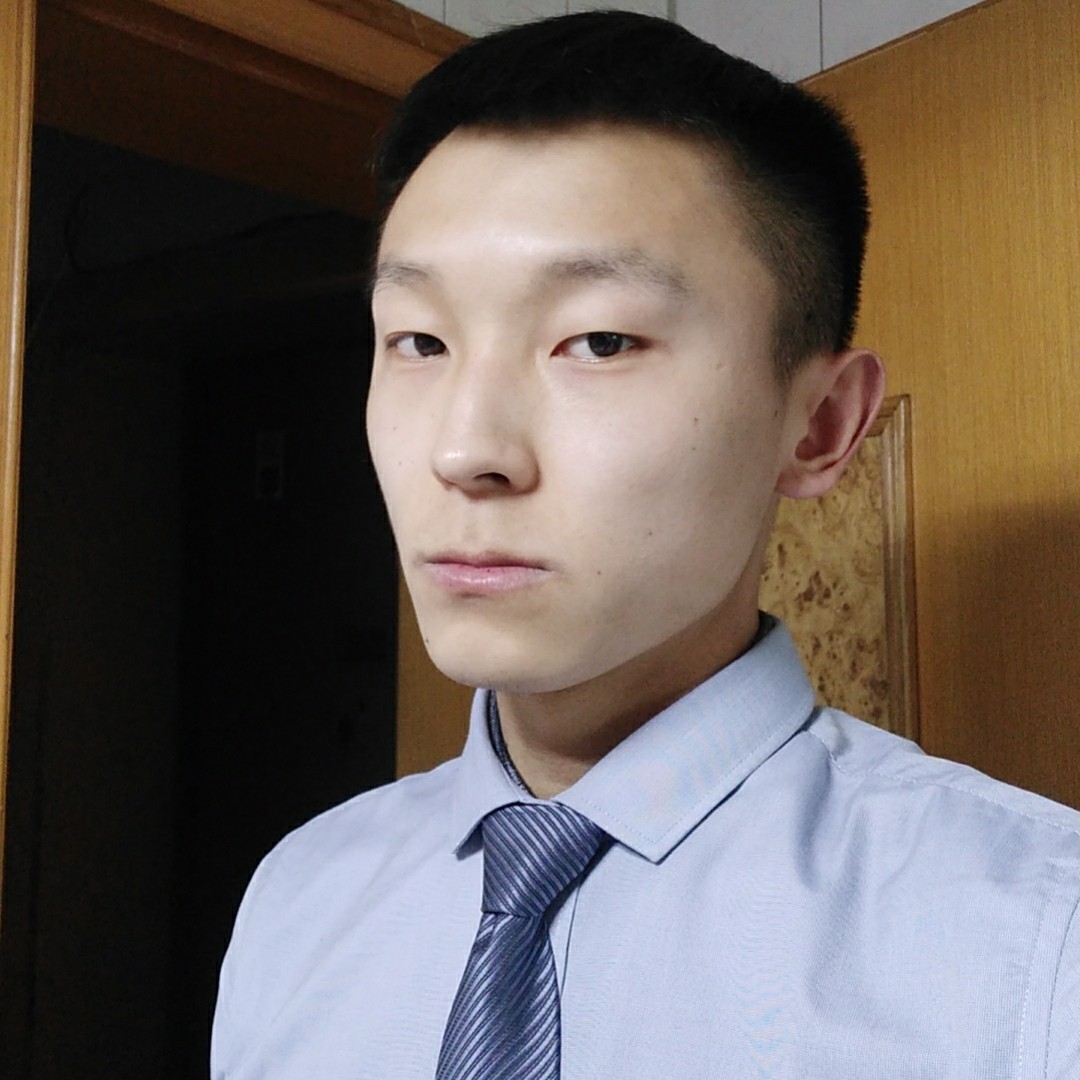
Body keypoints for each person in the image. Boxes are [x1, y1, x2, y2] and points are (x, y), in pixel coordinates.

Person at [211, 12, 1079, 1078]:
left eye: (599, 340)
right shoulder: (301, 899)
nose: (465, 450)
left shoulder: (1036, 946)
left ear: (818, 426)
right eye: (420, 340)